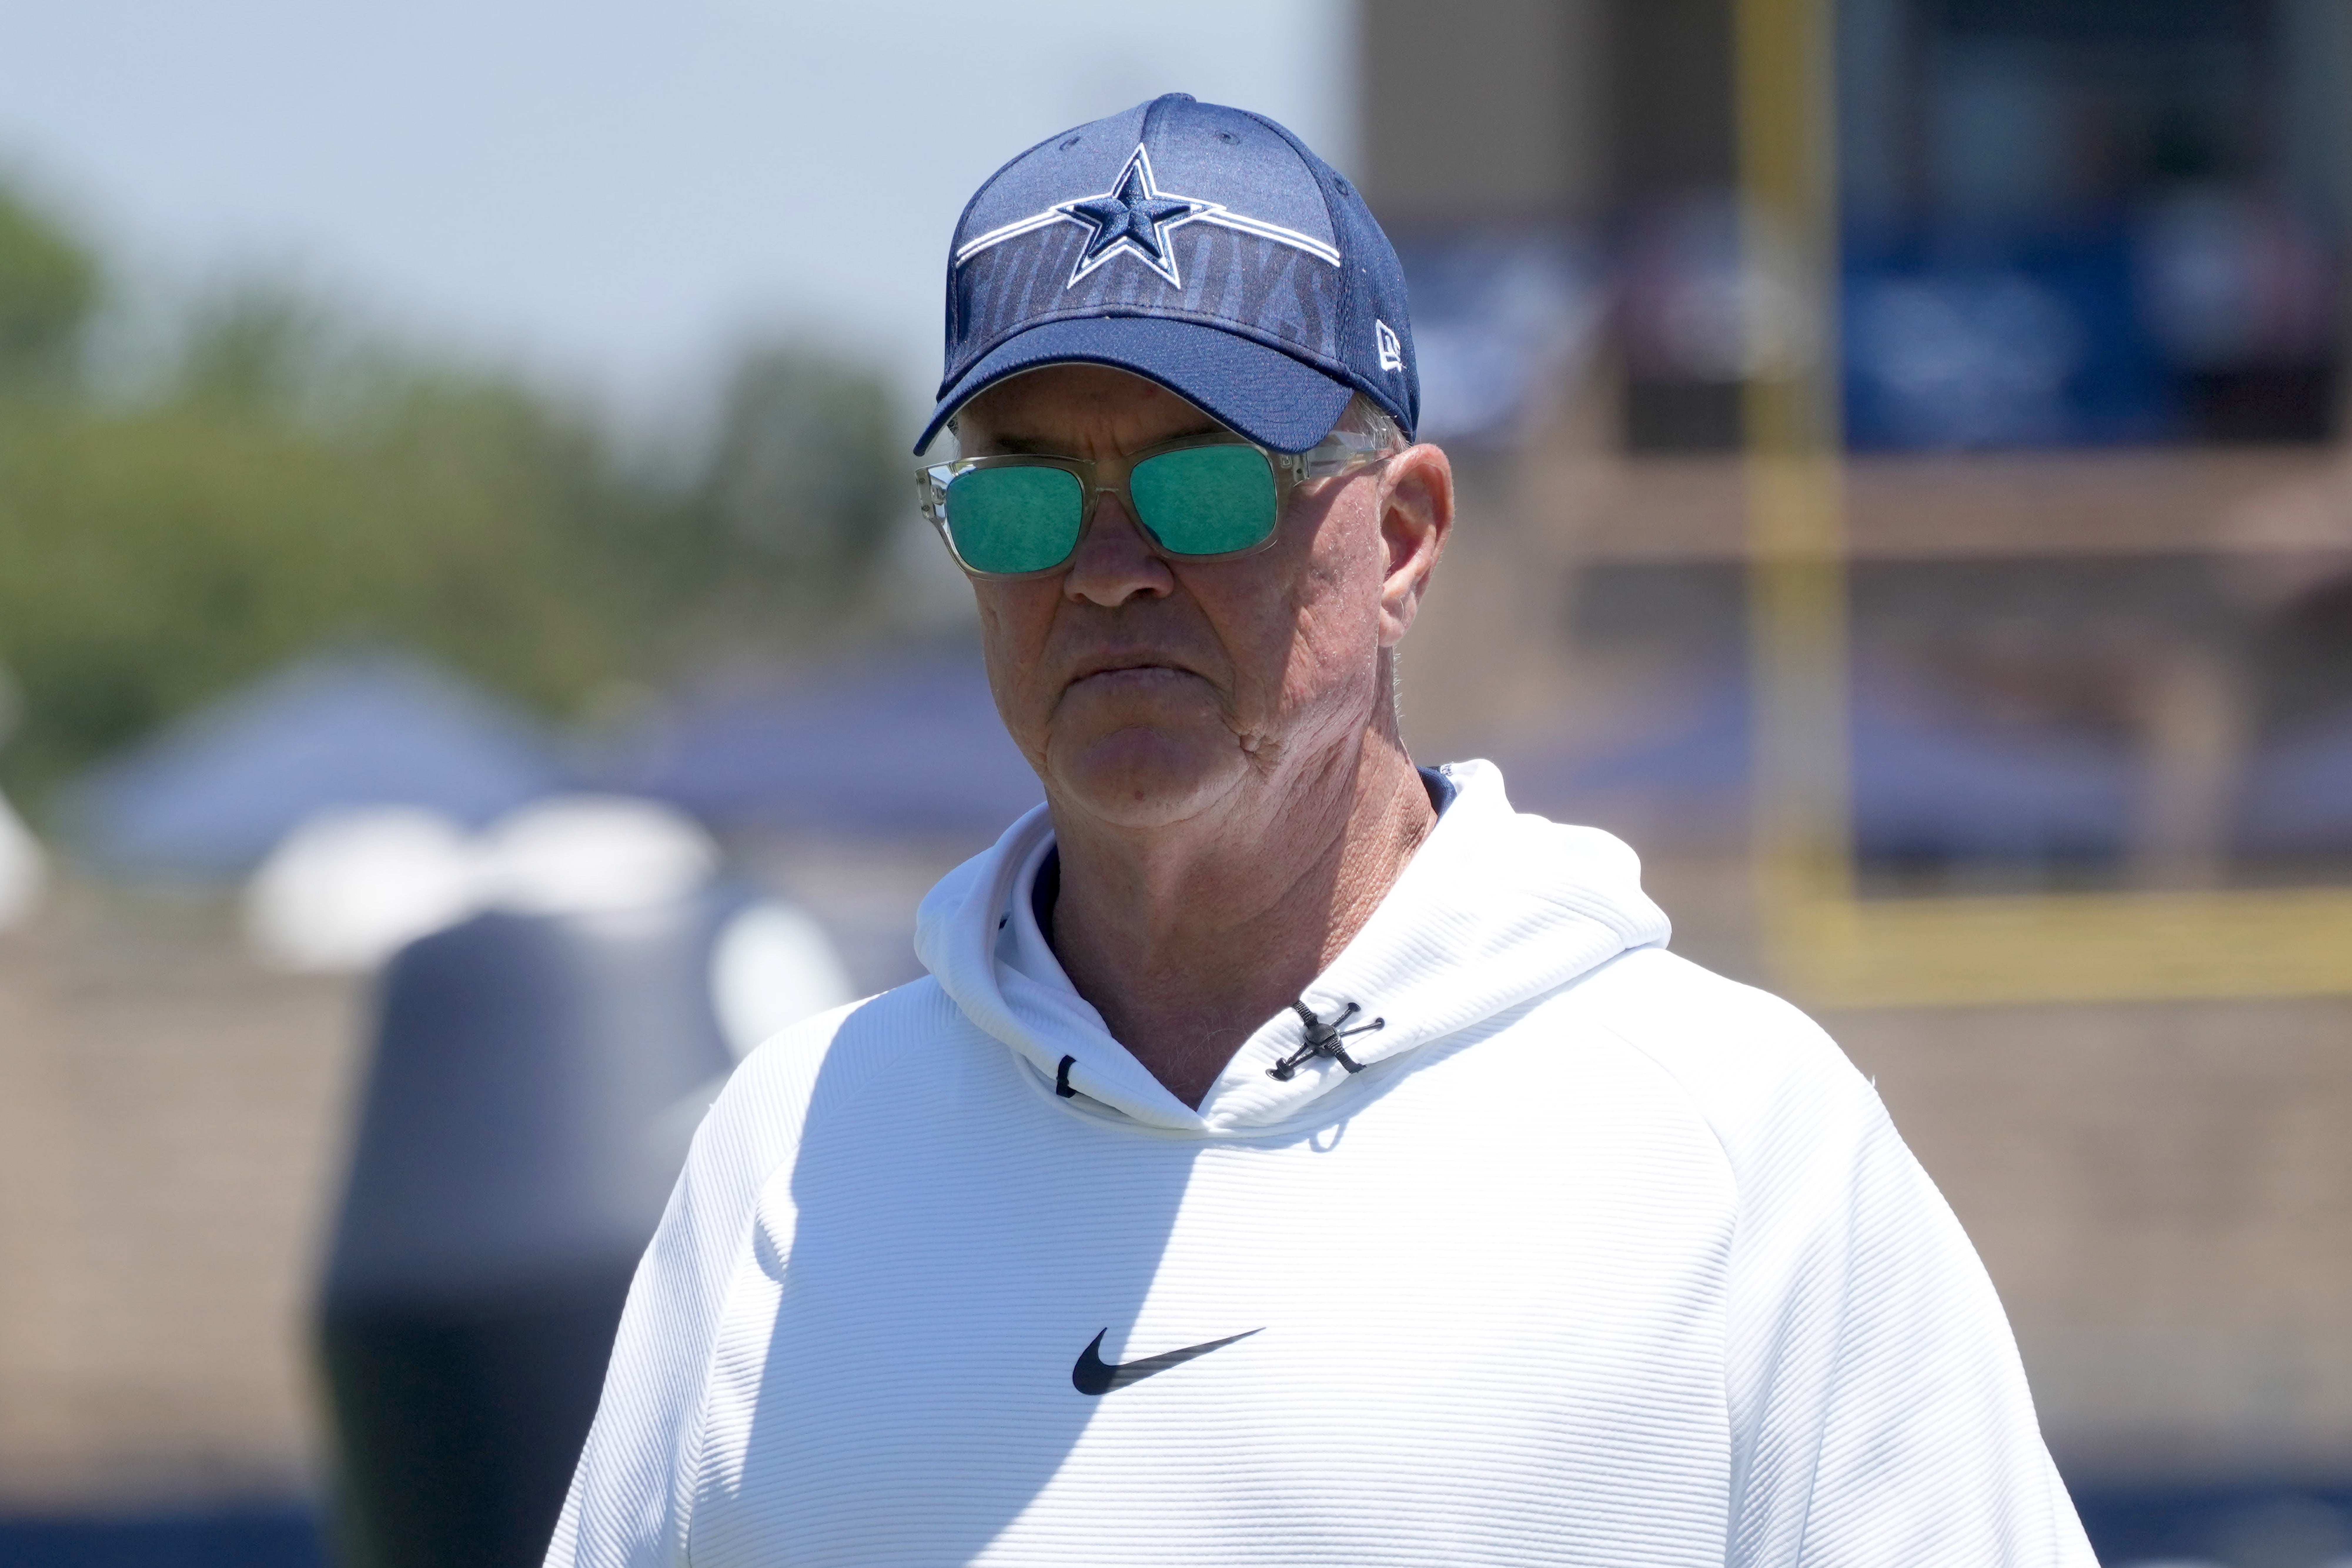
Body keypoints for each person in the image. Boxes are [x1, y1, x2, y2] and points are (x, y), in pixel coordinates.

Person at [546, 94, 2094, 1567]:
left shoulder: (1742, 1148)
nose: (1106, 569)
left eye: (1203, 485)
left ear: (1405, 536)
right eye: (1022, 497)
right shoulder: (790, 1154)